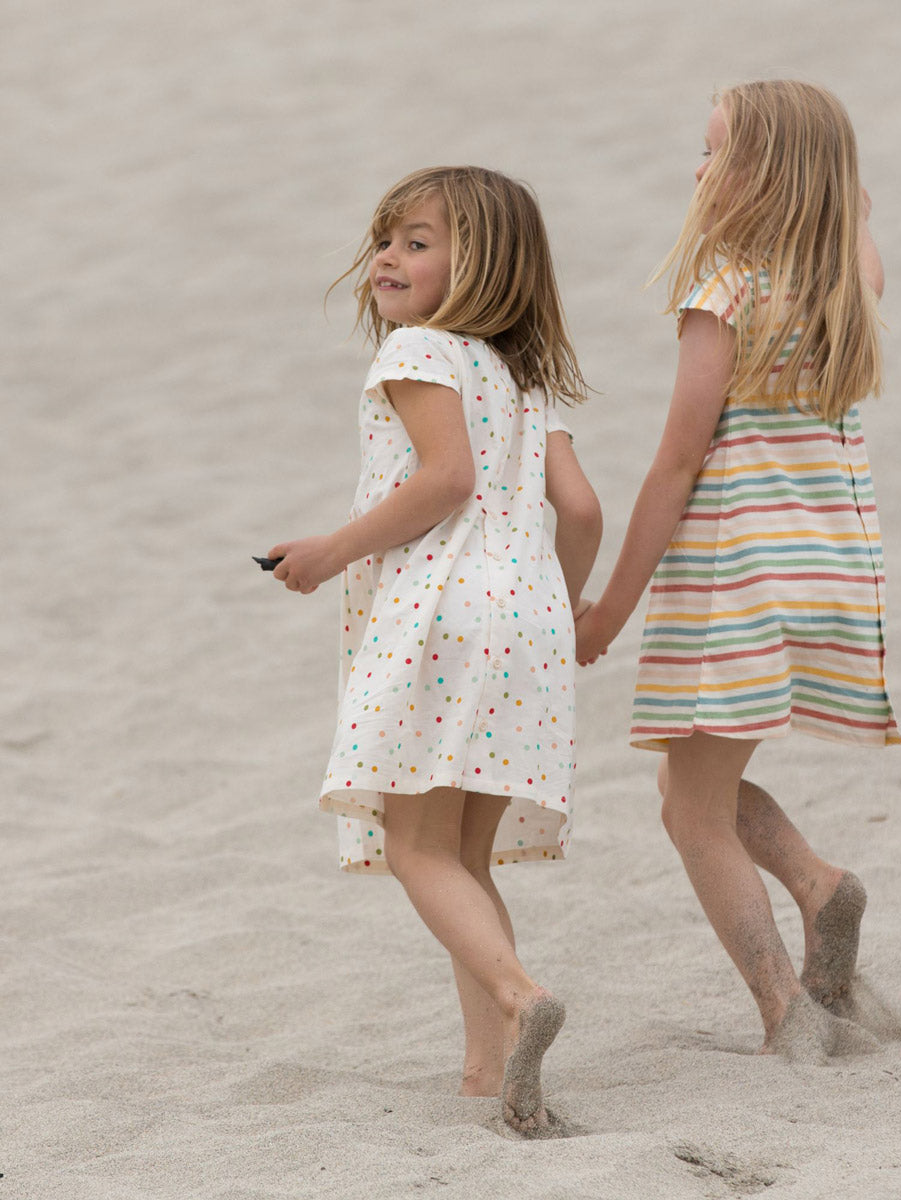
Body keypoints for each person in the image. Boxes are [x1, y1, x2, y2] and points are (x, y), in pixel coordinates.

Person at [267, 166, 602, 1134]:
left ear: (484, 263)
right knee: (466, 854)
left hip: (443, 614)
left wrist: (334, 548)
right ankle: (483, 1069)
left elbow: (447, 479)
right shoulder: (526, 381)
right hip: (529, 618)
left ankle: (518, 995)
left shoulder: (419, 353)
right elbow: (579, 509)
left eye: (418, 242)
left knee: (413, 848)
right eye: (387, 238)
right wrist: (566, 607)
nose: (389, 257)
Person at [574, 81, 901, 1057]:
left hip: (737, 574)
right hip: (833, 569)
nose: (698, 169)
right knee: (693, 789)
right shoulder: (852, 277)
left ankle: (783, 1011)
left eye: (715, 152)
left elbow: (678, 460)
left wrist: (611, 611)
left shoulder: (725, 287)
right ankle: (816, 884)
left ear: (765, 178)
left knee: (692, 816)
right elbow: (860, 211)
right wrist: (836, 188)